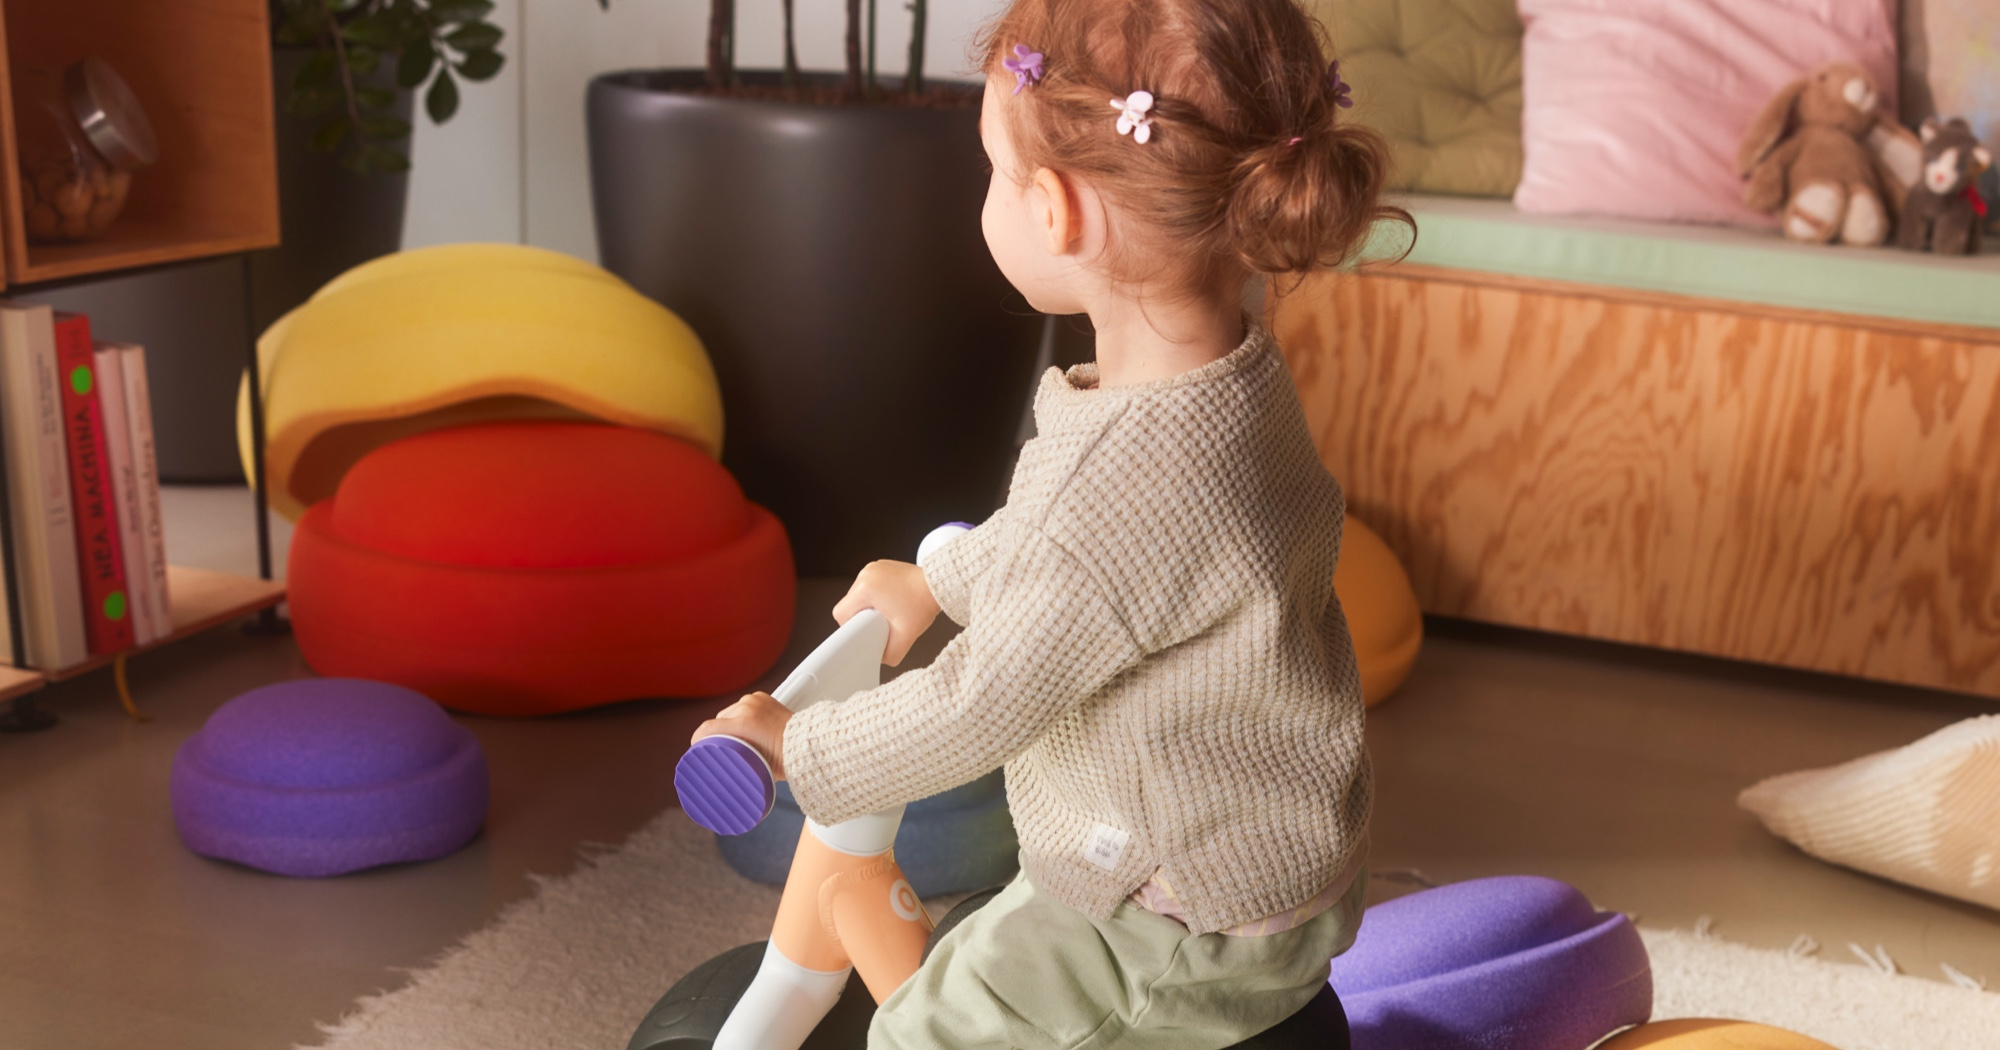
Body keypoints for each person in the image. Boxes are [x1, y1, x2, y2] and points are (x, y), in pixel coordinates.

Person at [692, 0, 1408, 1045]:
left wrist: (799, 744)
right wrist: (939, 582)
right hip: (1269, 861)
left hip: (1169, 924)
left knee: (921, 1035)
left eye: (994, 171)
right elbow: (1108, 558)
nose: (986, 196)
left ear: (1058, 213)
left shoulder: (1116, 488)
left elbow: (974, 708)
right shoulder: (1231, 383)